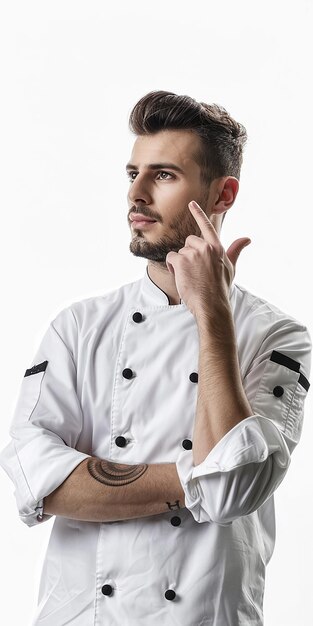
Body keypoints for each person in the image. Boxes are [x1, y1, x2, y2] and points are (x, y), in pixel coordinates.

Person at [0, 90, 311, 626]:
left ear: (222, 193)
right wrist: (199, 478)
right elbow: (37, 481)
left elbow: (237, 489)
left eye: (163, 175)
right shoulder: (77, 327)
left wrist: (213, 315)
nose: (136, 195)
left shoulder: (279, 337)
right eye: (132, 173)